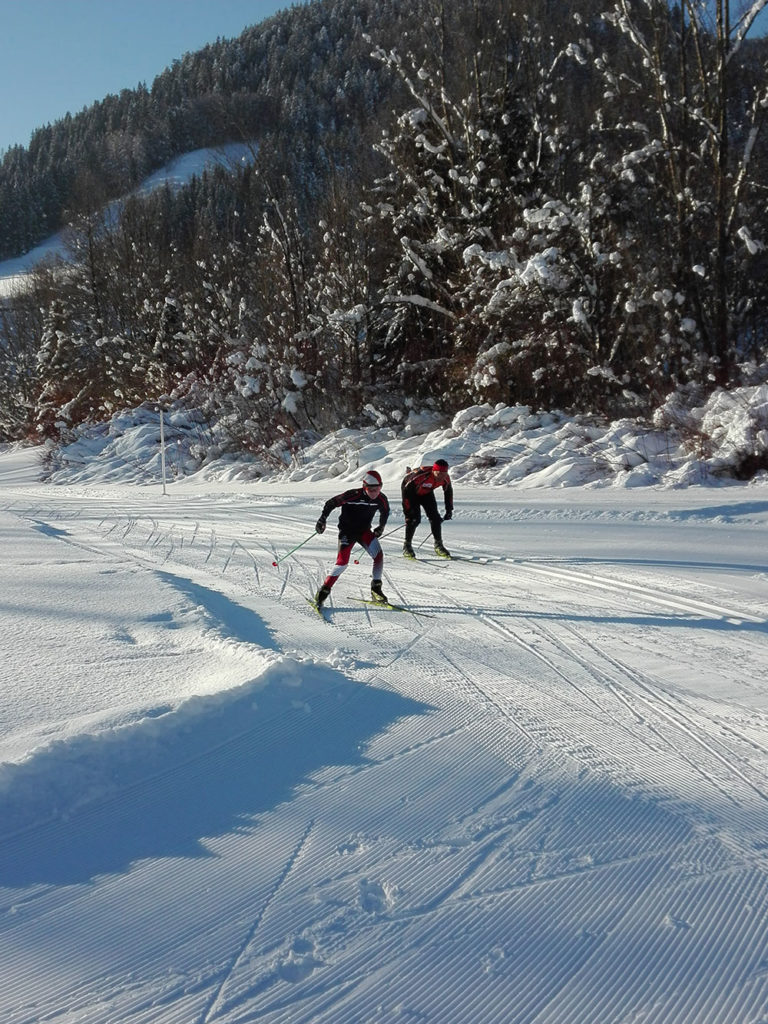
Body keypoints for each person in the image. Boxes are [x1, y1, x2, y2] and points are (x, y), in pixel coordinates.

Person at [314, 470, 390, 607]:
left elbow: (385, 511)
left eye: (378, 489)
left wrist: (381, 527)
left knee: (378, 556)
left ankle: (376, 589)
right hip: (347, 532)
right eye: (371, 489)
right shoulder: (353, 495)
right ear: (364, 487)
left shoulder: (381, 499)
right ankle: (324, 590)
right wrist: (322, 519)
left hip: (364, 531)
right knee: (342, 562)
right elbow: (331, 503)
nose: (374, 493)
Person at [401, 458, 453, 559]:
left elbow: (448, 492)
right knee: (414, 519)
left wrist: (449, 510)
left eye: (444, 474)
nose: (441, 477)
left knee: (436, 519)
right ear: (433, 471)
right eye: (439, 474)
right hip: (411, 492)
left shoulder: (445, 478)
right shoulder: (421, 476)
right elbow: (406, 492)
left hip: (426, 493)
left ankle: (438, 545)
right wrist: (407, 513)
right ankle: (407, 545)